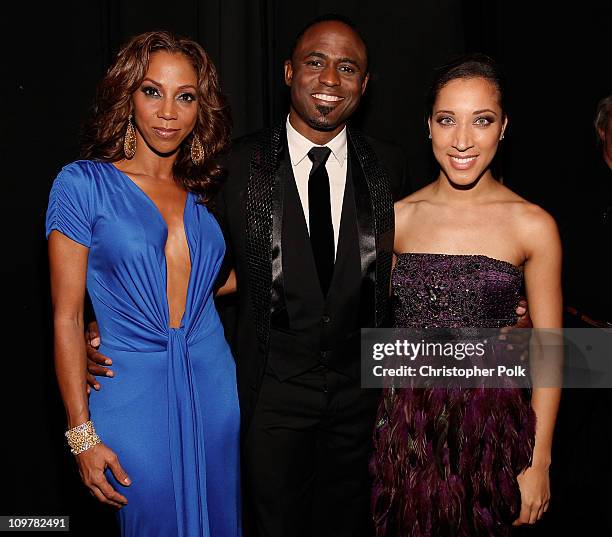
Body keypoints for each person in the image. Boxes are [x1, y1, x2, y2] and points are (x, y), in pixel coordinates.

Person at [46, 31, 241, 537]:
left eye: (186, 96)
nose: (168, 111)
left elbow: (217, 281)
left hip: (212, 382)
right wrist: (81, 436)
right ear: (128, 96)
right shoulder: (83, 184)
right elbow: (66, 316)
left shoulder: (206, 191)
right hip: (131, 393)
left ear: (202, 108)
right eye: (152, 91)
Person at [370, 54, 562, 536]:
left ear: (503, 128)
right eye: (446, 120)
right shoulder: (396, 218)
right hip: (407, 437)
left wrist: (539, 463)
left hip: (496, 438)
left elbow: (553, 351)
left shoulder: (533, 225)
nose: (461, 140)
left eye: (482, 121)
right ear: (428, 127)